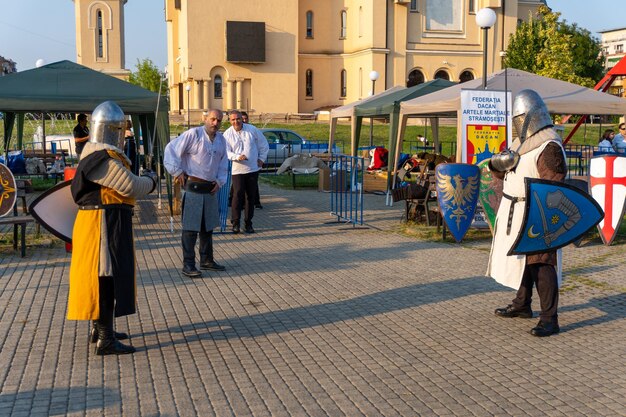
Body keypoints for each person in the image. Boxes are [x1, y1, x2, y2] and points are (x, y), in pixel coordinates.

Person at [68, 101, 157, 355]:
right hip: (101, 226)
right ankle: (105, 339)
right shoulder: (101, 159)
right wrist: (150, 181)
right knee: (105, 278)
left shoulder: (95, 154)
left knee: (103, 277)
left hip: (102, 222)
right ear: (112, 130)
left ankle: (100, 328)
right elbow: (128, 185)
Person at [487, 89, 567, 337]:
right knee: (522, 261)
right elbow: (505, 174)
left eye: (521, 119)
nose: (519, 125)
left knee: (541, 263)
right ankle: (522, 305)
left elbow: (554, 183)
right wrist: (498, 164)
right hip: (516, 210)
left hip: (537, 212)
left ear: (534, 116)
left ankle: (549, 318)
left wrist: (543, 218)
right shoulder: (519, 145)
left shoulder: (548, 145)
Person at [164, 109, 229, 278]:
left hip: (210, 188)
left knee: (207, 227)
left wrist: (220, 181)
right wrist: (177, 171)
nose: (216, 123)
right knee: (191, 229)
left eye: (219, 120)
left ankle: (207, 260)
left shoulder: (221, 140)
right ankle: (189, 264)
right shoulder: (193, 134)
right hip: (193, 186)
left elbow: (223, 164)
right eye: (213, 119)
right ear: (205, 119)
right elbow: (171, 149)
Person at [223, 110, 269, 234]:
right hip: (237, 170)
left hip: (252, 168)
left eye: (238, 119)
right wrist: (237, 157)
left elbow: (264, 145)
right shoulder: (227, 134)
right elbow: (226, 151)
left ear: (241, 119)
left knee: (250, 196)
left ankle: (248, 223)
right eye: (233, 119)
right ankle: (235, 223)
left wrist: (261, 159)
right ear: (230, 121)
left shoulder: (252, 130)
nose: (236, 121)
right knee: (237, 195)